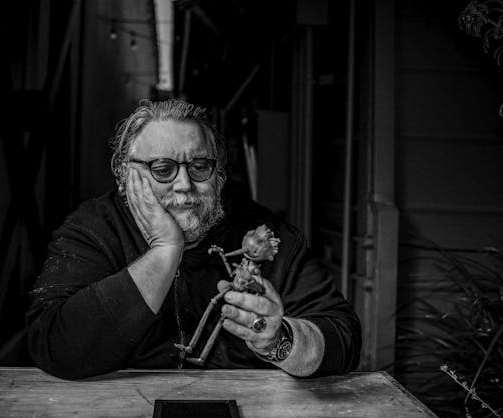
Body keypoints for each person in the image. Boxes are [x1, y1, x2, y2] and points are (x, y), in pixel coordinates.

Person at [26, 99, 361, 379]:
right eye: (162, 168)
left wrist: (280, 340)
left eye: (199, 165)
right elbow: (54, 345)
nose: (184, 184)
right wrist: (165, 251)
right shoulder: (93, 229)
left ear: (220, 174)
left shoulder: (264, 232)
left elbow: (343, 338)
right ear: (126, 174)